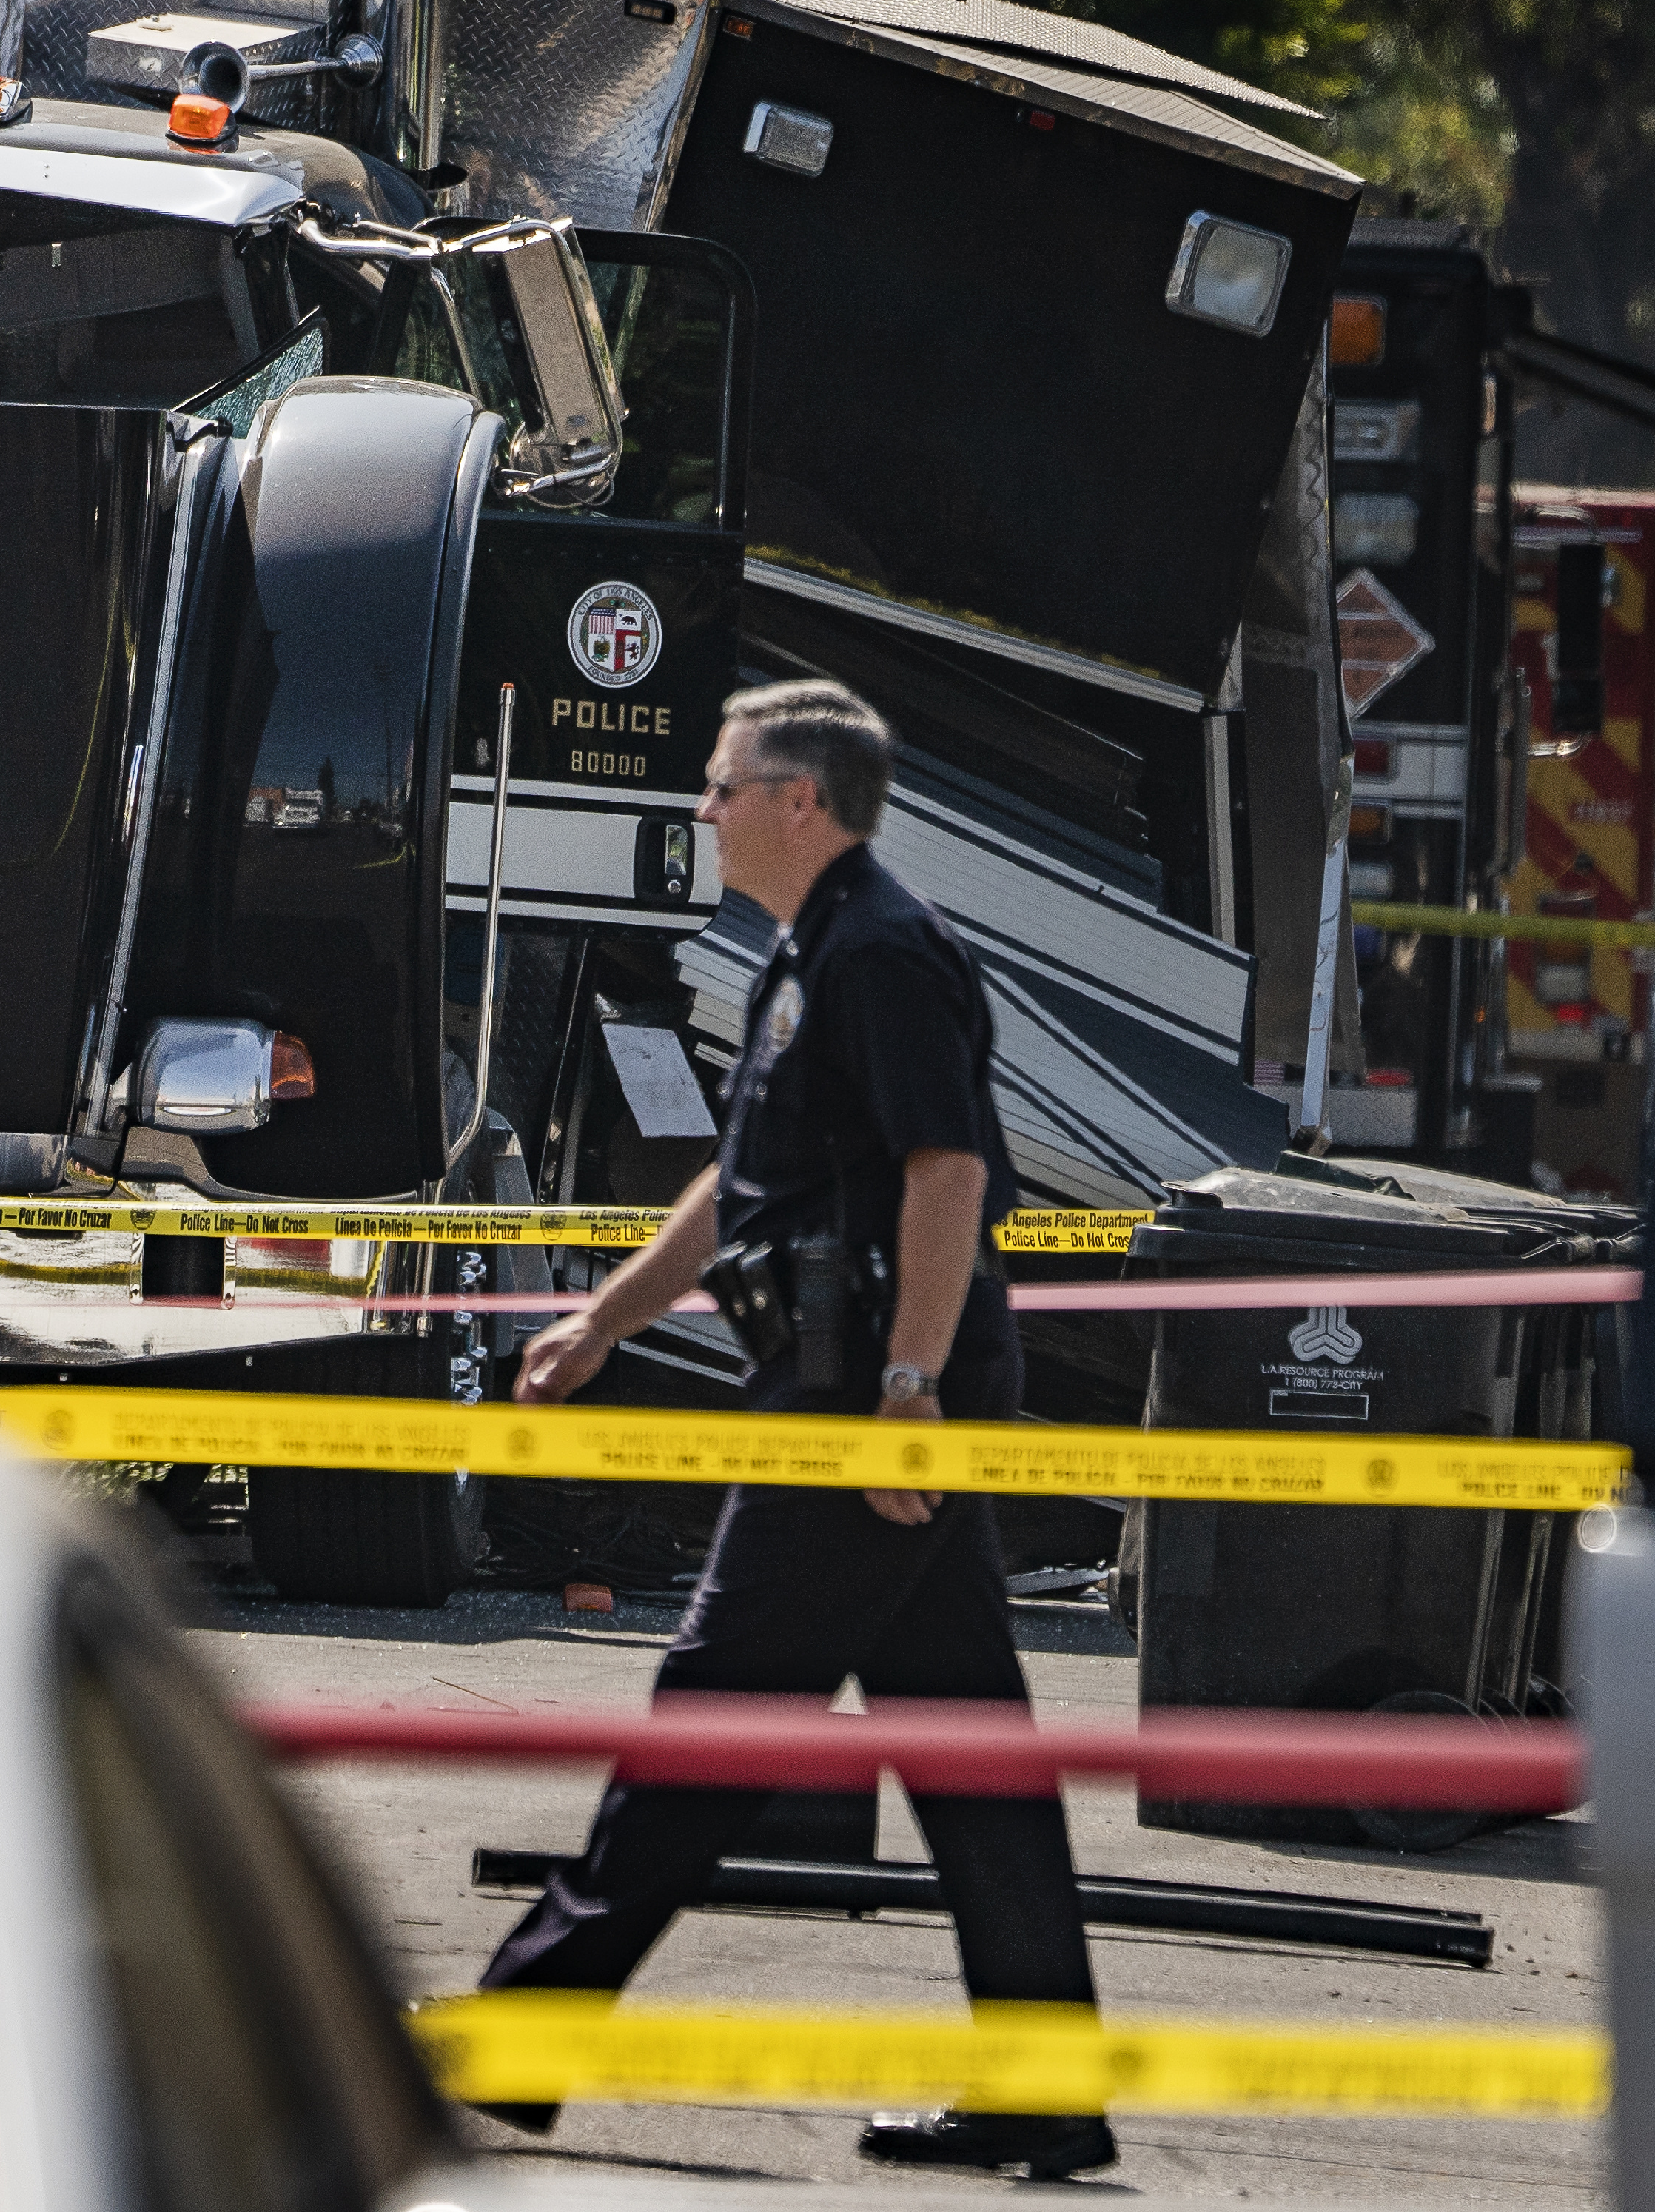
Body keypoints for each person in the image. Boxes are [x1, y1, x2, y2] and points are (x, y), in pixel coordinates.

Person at [474, 677, 1107, 2182]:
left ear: (800, 800)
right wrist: (606, 1317)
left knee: (711, 1706)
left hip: (866, 1401)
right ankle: (1048, 2089)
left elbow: (948, 1176)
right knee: (971, 1756)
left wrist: (905, 1392)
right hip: (861, 1379)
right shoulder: (808, 952)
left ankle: (518, 2028)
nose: (703, 805)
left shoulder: (881, 953)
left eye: (720, 780)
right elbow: (743, 1189)